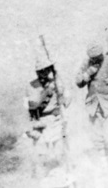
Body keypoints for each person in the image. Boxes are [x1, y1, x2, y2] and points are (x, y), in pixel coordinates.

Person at [24, 48, 71, 177]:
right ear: (37, 72)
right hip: (40, 123)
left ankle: (65, 177)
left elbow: (67, 99)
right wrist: (47, 92)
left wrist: (63, 95)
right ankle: (42, 179)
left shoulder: (56, 81)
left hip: (56, 121)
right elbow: (32, 105)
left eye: (47, 70)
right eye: (42, 71)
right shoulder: (31, 86)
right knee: (41, 154)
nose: (45, 73)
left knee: (60, 151)